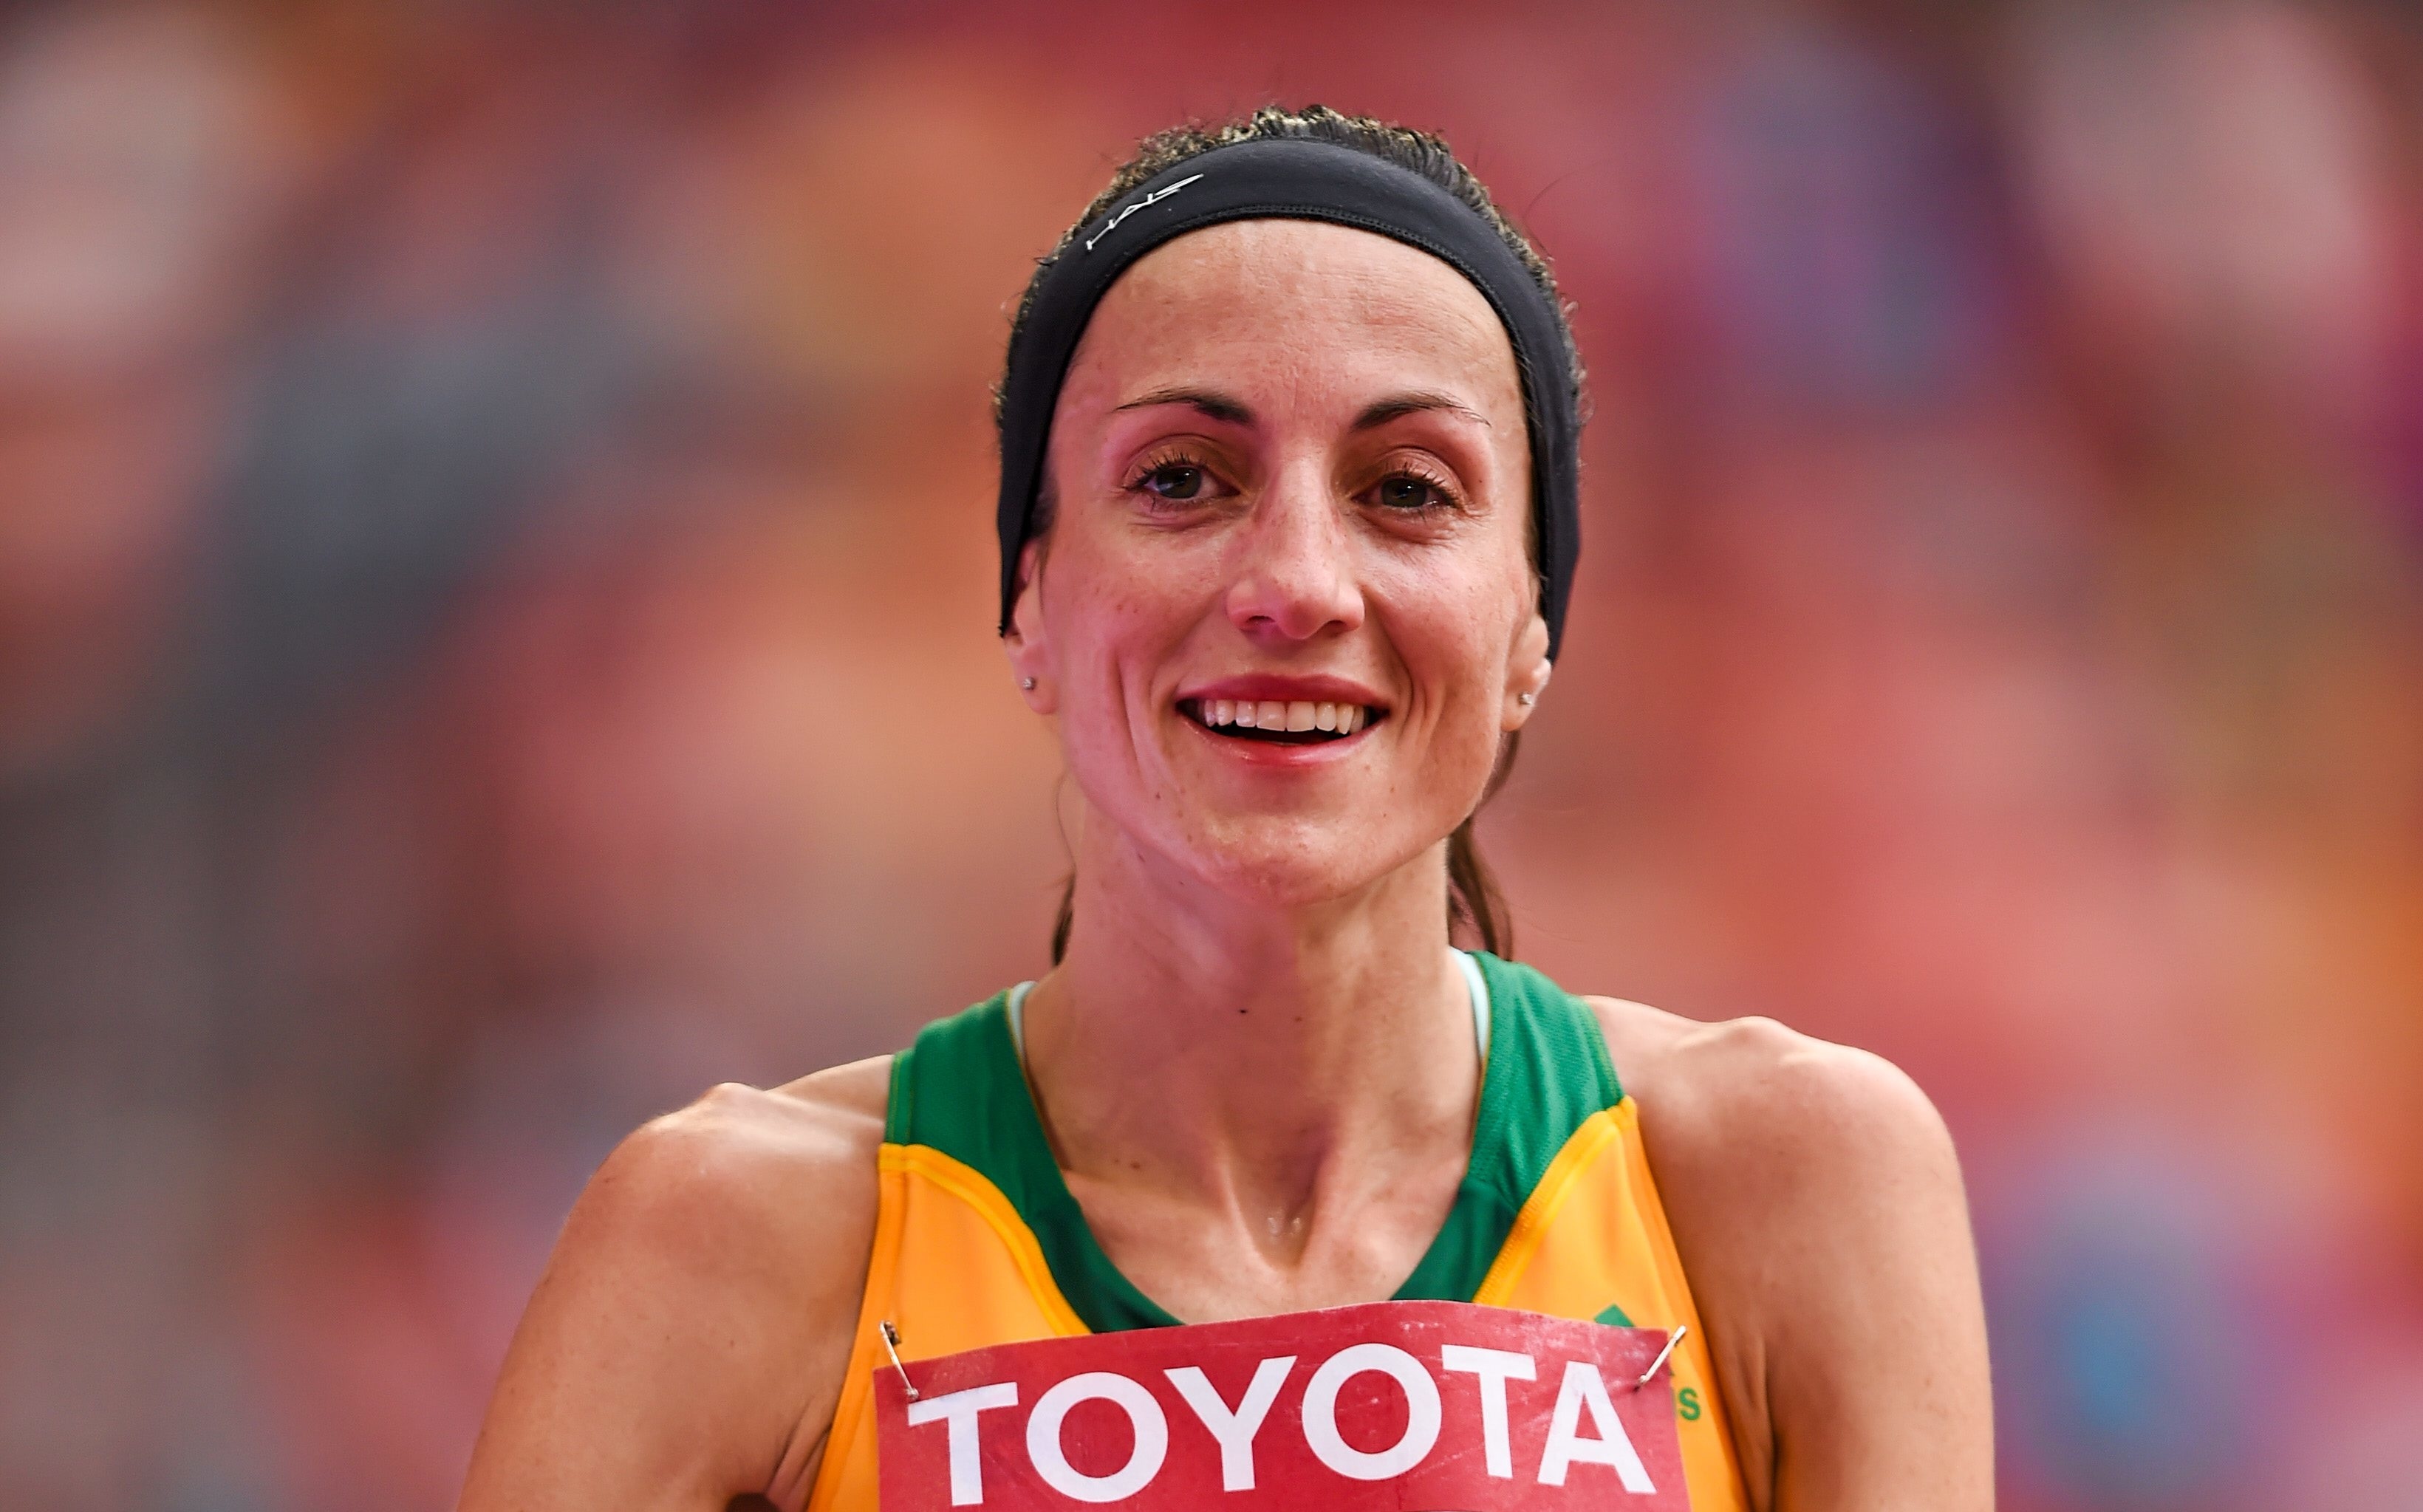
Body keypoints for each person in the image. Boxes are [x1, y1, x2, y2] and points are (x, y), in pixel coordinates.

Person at [457, 106, 1992, 1512]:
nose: (1295, 587)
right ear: (1030, 605)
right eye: (1183, 479)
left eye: (1406, 488)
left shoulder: (1782, 1180)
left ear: (1530, 630)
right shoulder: (731, 1238)